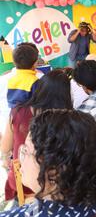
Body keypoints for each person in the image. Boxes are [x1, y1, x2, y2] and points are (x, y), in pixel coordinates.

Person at [0, 70, 72, 202]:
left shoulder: (17, 111)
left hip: (21, 182)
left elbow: (4, 148)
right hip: (56, 186)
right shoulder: (68, 122)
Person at [7, 43, 39, 109]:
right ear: (35, 63)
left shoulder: (11, 80)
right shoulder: (35, 81)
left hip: (14, 115)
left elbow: (10, 103)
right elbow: (38, 103)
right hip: (30, 117)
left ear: (14, 63)